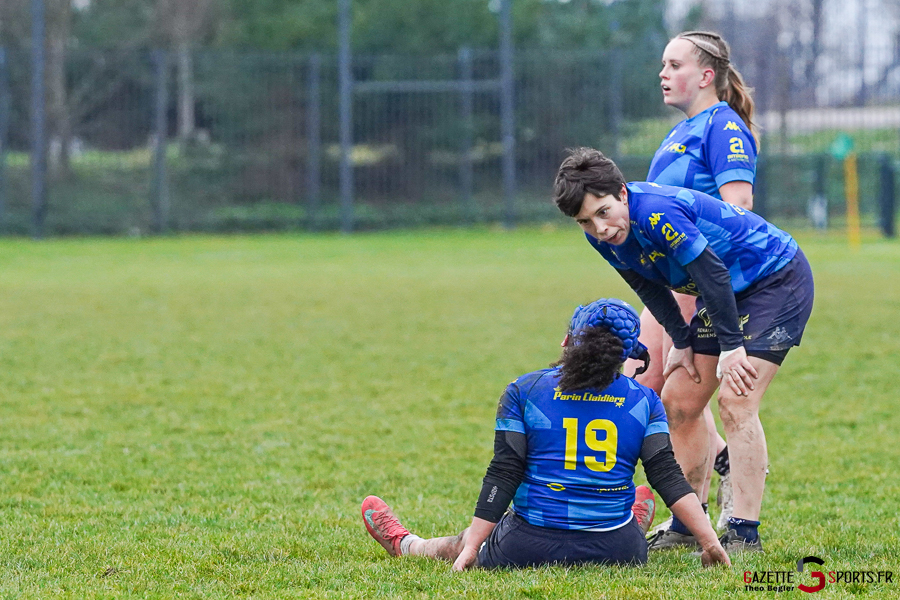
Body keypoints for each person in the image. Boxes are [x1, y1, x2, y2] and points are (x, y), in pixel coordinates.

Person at [553, 149, 814, 553]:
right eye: (585, 221)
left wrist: (731, 348)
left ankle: (744, 532)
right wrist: (681, 340)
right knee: (679, 400)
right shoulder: (602, 238)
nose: (600, 228)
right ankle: (689, 522)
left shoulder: (658, 213)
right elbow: (647, 285)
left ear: (622, 193)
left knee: (735, 398)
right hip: (724, 292)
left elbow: (711, 272)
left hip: (775, 279)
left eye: (603, 212)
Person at [361, 299, 730, 570]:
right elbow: (667, 476)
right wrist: (709, 541)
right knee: (621, 511)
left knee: (471, 538)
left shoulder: (525, 390)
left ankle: (408, 545)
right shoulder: (644, 400)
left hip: (527, 545)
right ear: (629, 355)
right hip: (619, 550)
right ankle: (629, 520)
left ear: (568, 340)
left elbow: (505, 472)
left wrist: (472, 544)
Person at [630, 30, 759, 538]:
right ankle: (713, 469)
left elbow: (738, 208)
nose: (663, 73)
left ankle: (695, 508)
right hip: (671, 281)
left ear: (706, 76)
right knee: (648, 388)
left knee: (676, 397)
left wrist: (701, 275)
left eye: (674, 64)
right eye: (662, 64)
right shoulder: (682, 129)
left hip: (695, 280)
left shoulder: (722, 125)